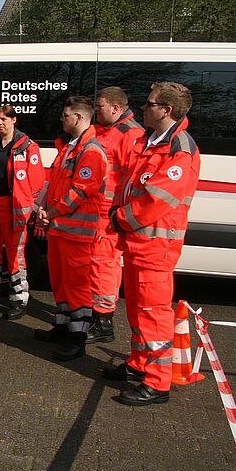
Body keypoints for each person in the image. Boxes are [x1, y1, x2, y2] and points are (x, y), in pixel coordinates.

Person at [105, 82, 199, 406]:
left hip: (155, 249)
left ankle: (157, 383)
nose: (142, 108)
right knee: (136, 311)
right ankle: (139, 365)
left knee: (154, 315)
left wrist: (122, 218)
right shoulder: (151, 141)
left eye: (149, 103)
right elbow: (131, 185)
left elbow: (157, 199)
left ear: (167, 110)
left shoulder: (179, 149)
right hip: (139, 245)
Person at [33, 97, 109, 360]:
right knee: (61, 283)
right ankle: (63, 327)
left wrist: (50, 213)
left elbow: (79, 193)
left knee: (77, 287)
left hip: (77, 233)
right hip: (59, 229)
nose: (61, 119)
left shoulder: (91, 151)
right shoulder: (70, 148)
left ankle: (78, 339)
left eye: (65, 115)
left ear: (78, 118)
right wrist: (43, 210)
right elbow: (54, 185)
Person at [0, 105, 45, 319]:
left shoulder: (27, 146)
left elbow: (36, 181)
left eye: (4, 119)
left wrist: (26, 205)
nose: (0, 123)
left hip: (11, 206)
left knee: (15, 254)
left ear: (15, 120)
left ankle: (19, 299)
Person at [86, 87, 144, 344]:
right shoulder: (109, 131)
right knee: (95, 266)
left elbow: (134, 181)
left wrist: (119, 214)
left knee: (104, 266)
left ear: (115, 108)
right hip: (96, 212)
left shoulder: (131, 135)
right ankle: (95, 315)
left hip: (108, 215)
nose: (95, 111)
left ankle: (103, 322)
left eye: (99, 106)